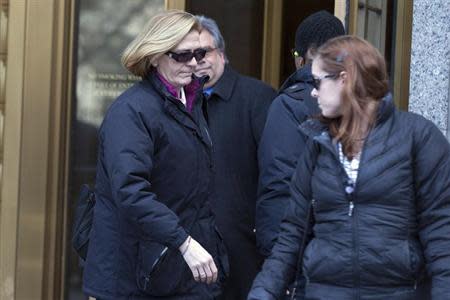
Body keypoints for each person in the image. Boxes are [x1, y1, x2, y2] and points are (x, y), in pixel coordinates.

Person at [248, 35, 450, 299]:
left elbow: (441, 233)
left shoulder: (418, 137)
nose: (312, 91)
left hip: (397, 293)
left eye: (318, 81)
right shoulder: (318, 144)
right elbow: (292, 235)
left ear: (345, 79)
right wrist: (262, 293)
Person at [82, 10, 228, 299]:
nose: (194, 63)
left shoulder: (191, 103)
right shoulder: (131, 111)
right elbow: (131, 192)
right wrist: (185, 242)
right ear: (155, 56)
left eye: (199, 53)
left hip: (178, 270)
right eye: (182, 55)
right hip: (133, 276)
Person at [194, 15, 277, 300]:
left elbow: (277, 177)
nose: (197, 60)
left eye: (204, 51)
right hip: (190, 255)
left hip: (245, 252)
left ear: (222, 54)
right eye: (189, 54)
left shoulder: (258, 98)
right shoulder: (175, 104)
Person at [256, 10, 345, 258]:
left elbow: (279, 183)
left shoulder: (289, 105)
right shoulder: (366, 101)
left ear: (301, 58)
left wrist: (277, 258)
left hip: (307, 254)